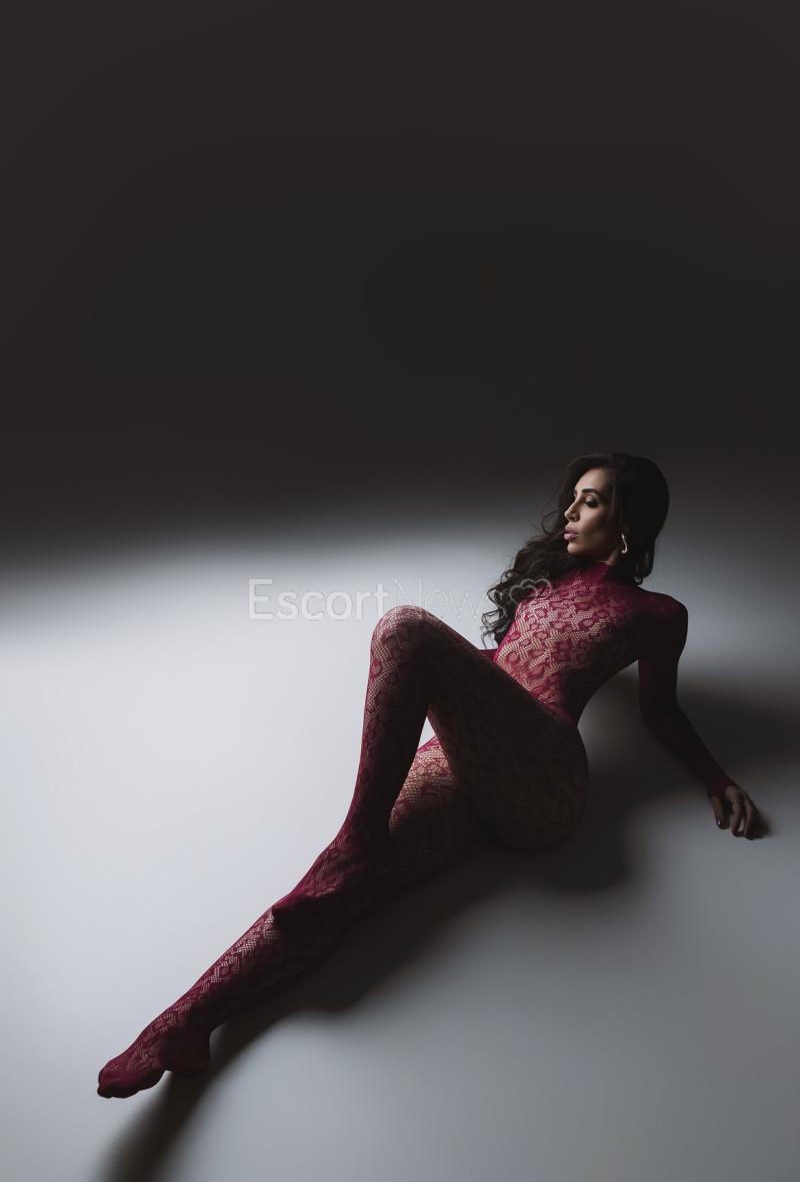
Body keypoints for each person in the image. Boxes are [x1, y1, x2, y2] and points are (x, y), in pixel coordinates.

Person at [97, 450, 761, 1099]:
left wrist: (714, 776)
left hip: (544, 777)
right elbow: (505, 664)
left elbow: (659, 707)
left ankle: (357, 838)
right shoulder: (547, 582)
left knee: (404, 629)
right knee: (334, 893)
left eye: (588, 502)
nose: (567, 512)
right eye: (573, 499)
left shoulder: (658, 614)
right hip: (469, 760)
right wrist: (447, 679)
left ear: (628, 522)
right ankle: (185, 1024)